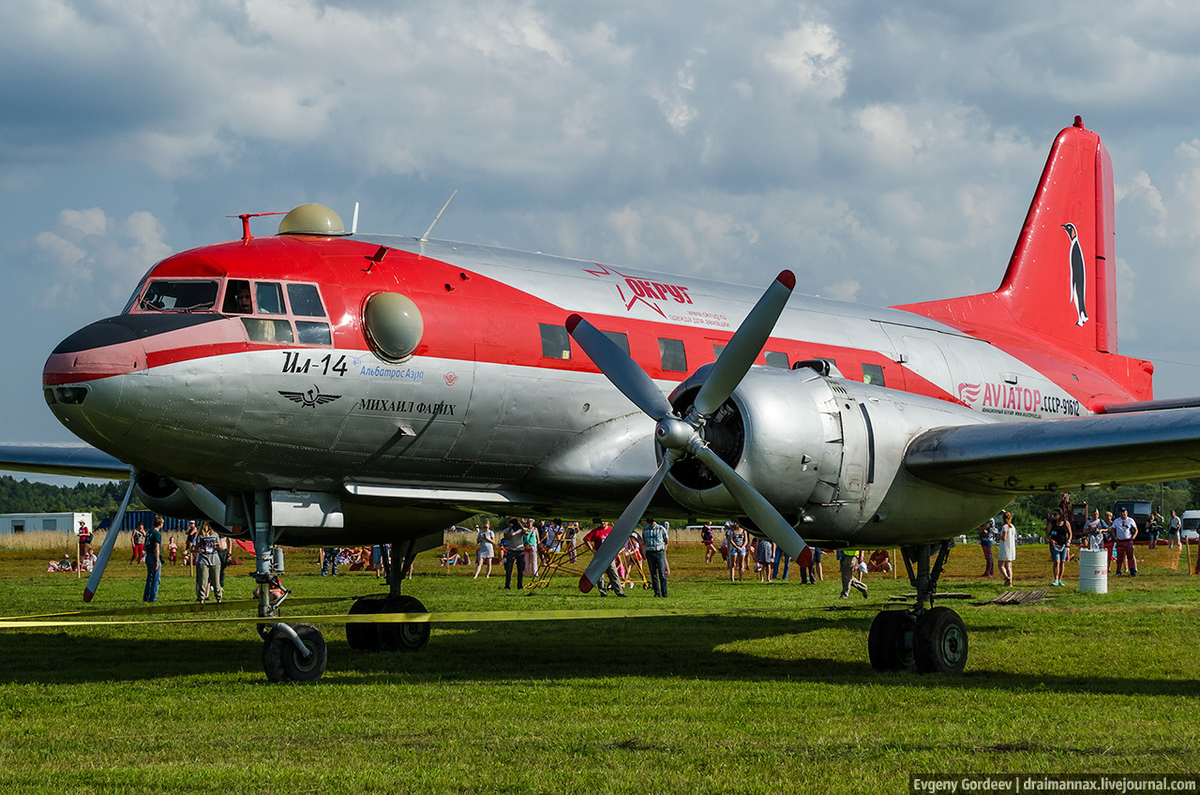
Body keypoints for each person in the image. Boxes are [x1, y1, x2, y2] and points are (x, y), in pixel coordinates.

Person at [583, 521, 625, 596]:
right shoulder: (596, 531)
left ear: (607, 522)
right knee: (600, 575)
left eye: (604, 522)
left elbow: (619, 540)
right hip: (599, 556)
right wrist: (592, 549)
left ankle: (619, 592)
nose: (603, 523)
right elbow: (586, 539)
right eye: (601, 522)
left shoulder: (612, 530)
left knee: (614, 574)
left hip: (609, 556)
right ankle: (603, 592)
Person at [193, 521, 225, 603]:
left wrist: (218, 546)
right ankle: (201, 599)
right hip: (203, 561)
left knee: (216, 582)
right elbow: (195, 548)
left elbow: (220, 547)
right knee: (203, 582)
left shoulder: (215, 535)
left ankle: (219, 599)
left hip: (215, 561)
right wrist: (199, 550)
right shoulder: (200, 536)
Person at [643, 519, 669, 597]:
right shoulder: (645, 529)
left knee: (662, 573)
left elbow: (666, 540)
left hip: (659, 552)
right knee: (653, 574)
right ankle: (657, 593)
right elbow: (644, 540)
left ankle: (664, 593)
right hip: (649, 552)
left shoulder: (661, 528)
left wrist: (662, 548)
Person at [1046, 508, 1072, 586]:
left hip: (1064, 545)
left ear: (1060, 515)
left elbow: (1070, 533)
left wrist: (1068, 541)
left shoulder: (1066, 523)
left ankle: (1060, 579)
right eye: (1053, 514)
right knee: (1057, 561)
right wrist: (1051, 540)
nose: (1053, 516)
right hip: (1054, 545)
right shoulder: (1052, 523)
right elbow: (1047, 534)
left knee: (1062, 562)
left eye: (1055, 514)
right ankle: (1056, 579)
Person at [1111, 507, 1139, 577]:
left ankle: (1132, 571)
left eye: (1124, 512)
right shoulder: (1117, 521)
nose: (1123, 514)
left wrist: (1133, 537)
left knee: (1130, 557)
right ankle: (1118, 571)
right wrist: (1115, 537)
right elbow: (1112, 529)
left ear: (1126, 513)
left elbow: (1136, 529)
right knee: (1120, 557)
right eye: (1121, 512)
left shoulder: (1130, 520)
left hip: (1128, 540)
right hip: (1120, 541)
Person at [143, 515, 163, 602]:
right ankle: (153, 598)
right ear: (160, 524)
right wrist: (157, 560)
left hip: (148, 555)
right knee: (156, 579)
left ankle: (146, 596)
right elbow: (156, 548)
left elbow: (144, 547)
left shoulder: (148, 533)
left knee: (149, 578)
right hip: (154, 556)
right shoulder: (157, 534)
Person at [503, 518, 526, 590]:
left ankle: (520, 585)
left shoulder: (521, 529)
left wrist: (521, 526)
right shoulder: (507, 530)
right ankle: (507, 585)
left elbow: (526, 533)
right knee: (509, 569)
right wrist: (510, 528)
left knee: (520, 569)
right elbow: (506, 537)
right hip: (511, 550)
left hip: (520, 550)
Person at [997, 511, 1016, 587]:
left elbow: (1004, 538)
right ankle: (1010, 583)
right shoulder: (1012, 526)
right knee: (1009, 566)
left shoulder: (1005, 527)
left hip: (1005, 547)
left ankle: (1006, 577)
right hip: (1011, 547)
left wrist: (996, 535)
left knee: (1001, 565)